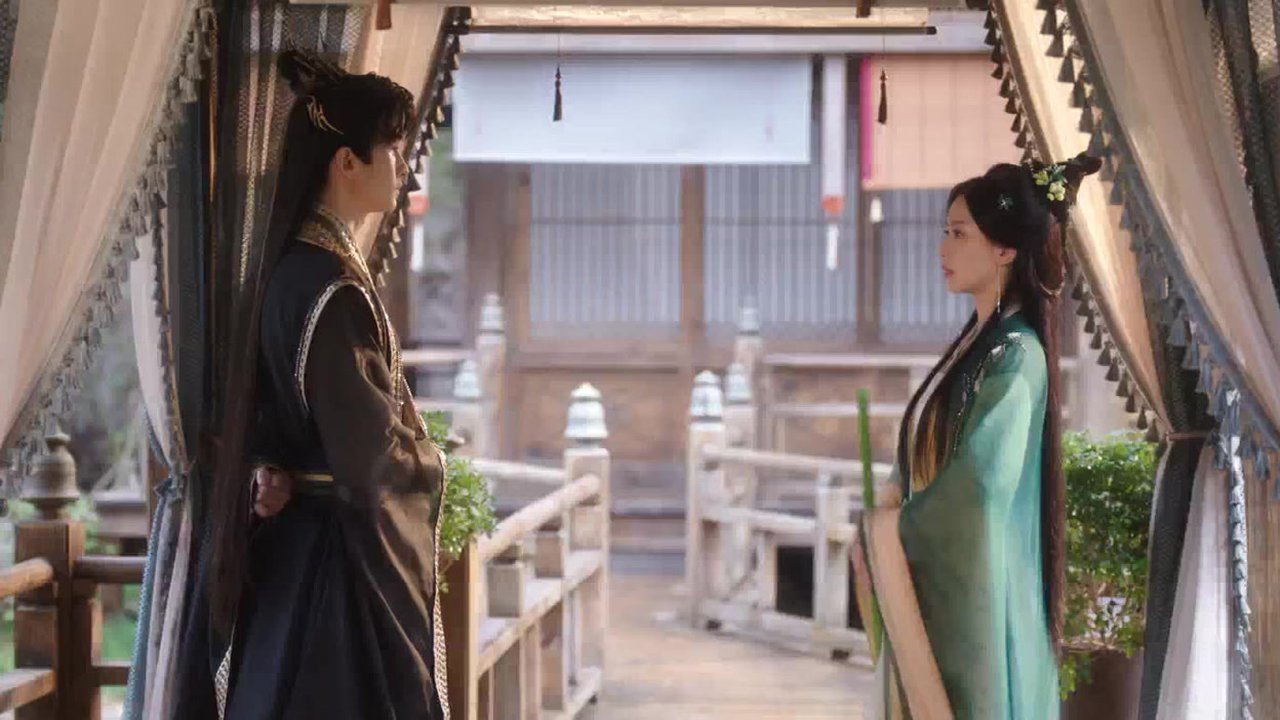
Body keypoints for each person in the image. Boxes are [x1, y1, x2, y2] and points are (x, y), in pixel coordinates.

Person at [180, 50, 450, 720]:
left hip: (291, 554)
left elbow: (273, 416)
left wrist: (270, 463)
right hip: (334, 570)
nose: (404, 168)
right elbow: (371, 459)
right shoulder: (333, 289)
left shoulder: (292, 271)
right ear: (347, 162)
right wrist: (428, 460)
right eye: (392, 151)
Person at [851, 155, 1101, 720]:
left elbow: (978, 488)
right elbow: (925, 459)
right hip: (956, 595)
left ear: (1005, 249)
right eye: (946, 231)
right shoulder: (977, 348)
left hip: (982, 605)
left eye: (959, 234)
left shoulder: (1017, 356)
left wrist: (888, 533)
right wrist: (886, 505)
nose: (942, 248)